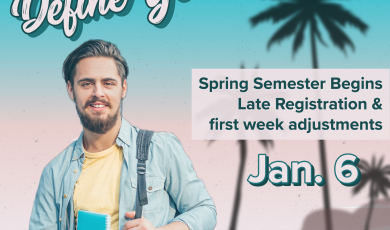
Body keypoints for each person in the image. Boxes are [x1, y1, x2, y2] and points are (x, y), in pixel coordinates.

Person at [29, 40, 217, 230]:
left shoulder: (161, 148)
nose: (98, 93)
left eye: (108, 83)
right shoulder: (54, 174)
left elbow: (205, 210)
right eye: (86, 84)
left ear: (123, 88)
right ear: (71, 89)